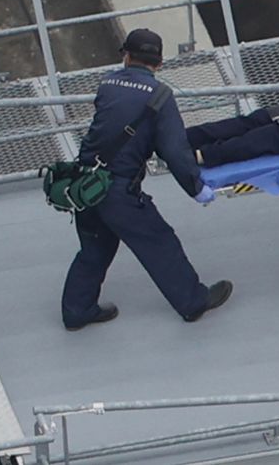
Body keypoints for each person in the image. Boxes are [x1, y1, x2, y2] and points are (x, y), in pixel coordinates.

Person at [61, 28, 232, 331]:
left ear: (126, 56)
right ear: (160, 63)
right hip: (118, 191)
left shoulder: (107, 84)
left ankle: (76, 310)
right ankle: (193, 302)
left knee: (94, 249)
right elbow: (174, 151)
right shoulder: (160, 97)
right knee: (159, 241)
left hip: (85, 184)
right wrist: (196, 187)